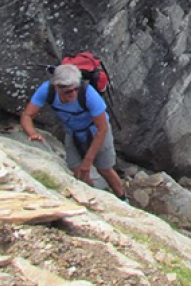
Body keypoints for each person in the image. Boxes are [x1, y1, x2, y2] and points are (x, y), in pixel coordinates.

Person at [20, 64, 126, 200]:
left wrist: (88, 160)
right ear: (57, 87)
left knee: (104, 168)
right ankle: (93, 198)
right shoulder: (47, 90)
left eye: (76, 89)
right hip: (73, 132)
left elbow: (102, 128)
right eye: (68, 92)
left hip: (96, 131)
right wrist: (32, 133)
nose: (74, 94)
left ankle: (122, 197)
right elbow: (27, 115)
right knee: (77, 169)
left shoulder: (89, 94)